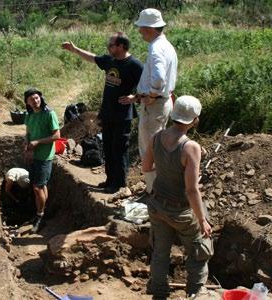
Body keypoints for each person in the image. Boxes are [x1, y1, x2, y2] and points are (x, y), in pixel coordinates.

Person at [142, 96, 213, 299]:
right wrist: (202, 221)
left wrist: (167, 170)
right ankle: (195, 293)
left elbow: (146, 168)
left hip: (156, 206)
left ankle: (158, 291)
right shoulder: (191, 148)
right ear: (195, 120)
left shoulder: (156, 137)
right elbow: (192, 190)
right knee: (199, 251)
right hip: (181, 211)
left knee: (160, 252)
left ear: (173, 115)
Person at [62, 32, 143, 194]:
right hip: (106, 113)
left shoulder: (135, 65)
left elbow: (149, 86)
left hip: (122, 116)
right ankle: (110, 180)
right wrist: (75, 49)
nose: (108, 47)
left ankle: (119, 184)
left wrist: (135, 97)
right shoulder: (110, 61)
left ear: (121, 46)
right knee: (108, 147)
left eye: (111, 44)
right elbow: (92, 58)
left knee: (119, 149)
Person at [120, 8, 178, 193]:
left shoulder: (156, 48)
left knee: (150, 150)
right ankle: (158, 189)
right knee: (157, 147)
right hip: (163, 102)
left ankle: (154, 192)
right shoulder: (166, 45)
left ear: (150, 28)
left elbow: (159, 78)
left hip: (156, 105)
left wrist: (151, 95)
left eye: (142, 27)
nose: (139, 31)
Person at [24, 88, 60, 233]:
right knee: (40, 186)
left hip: (44, 156)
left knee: (37, 188)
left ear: (41, 98)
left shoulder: (49, 114)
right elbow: (27, 134)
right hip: (33, 155)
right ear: (27, 102)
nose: (35, 101)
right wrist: (27, 148)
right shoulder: (30, 115)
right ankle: (42, 211)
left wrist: (38, 142)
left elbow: (57, 135)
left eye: (37, 98)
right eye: (32, 99)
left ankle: (40, 216)